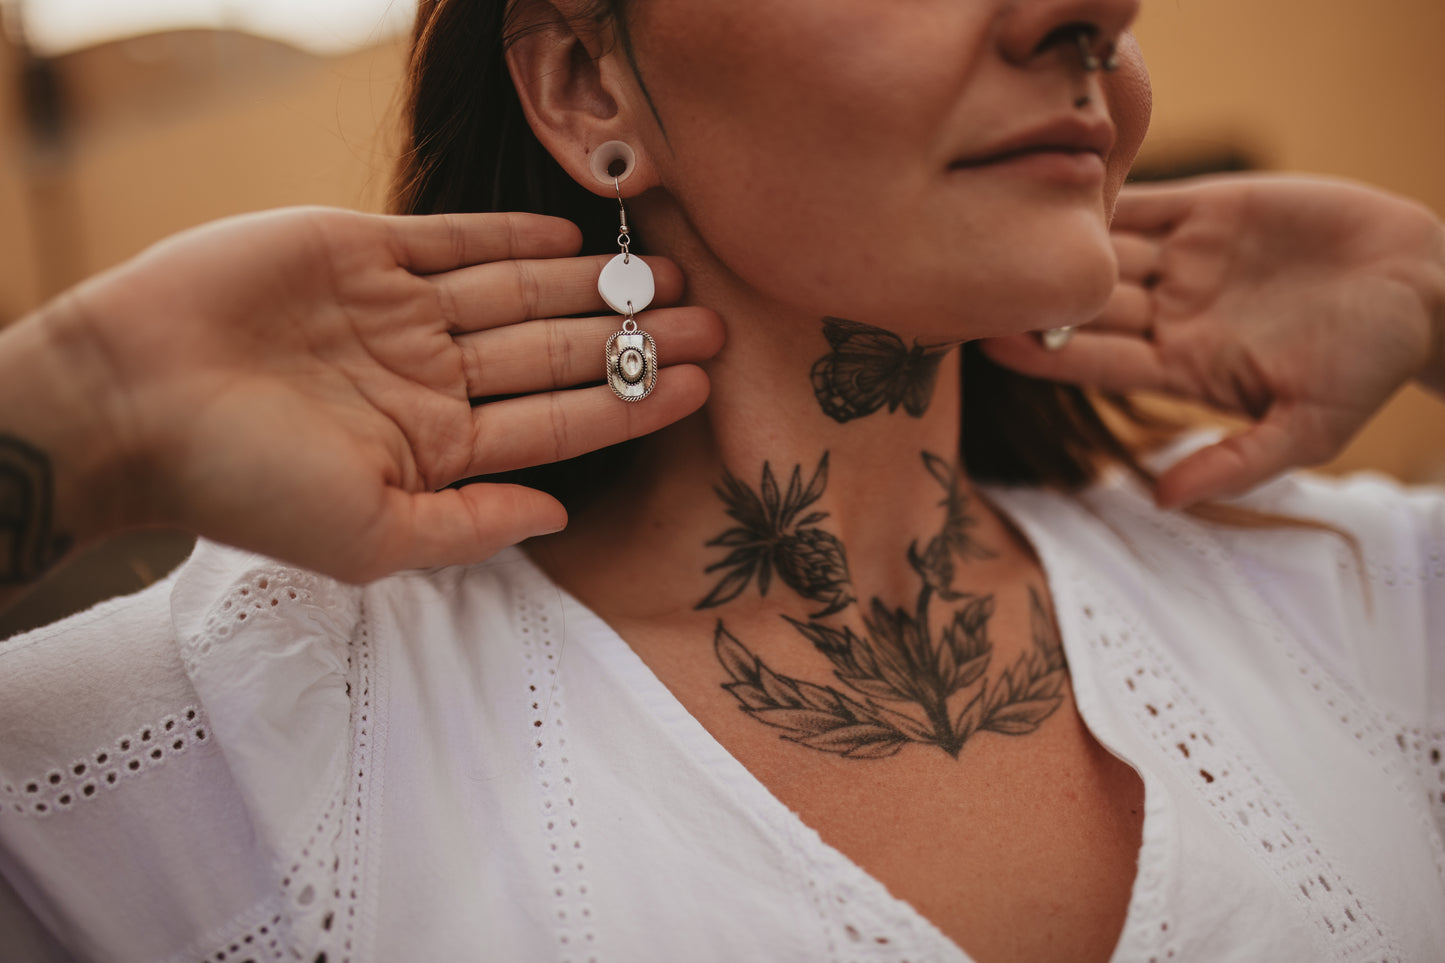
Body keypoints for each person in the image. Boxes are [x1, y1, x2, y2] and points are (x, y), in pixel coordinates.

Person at [0, 0, 1441, 960]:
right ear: (587, 81)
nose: (1092, 8)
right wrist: (74, 421)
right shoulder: (260, 746)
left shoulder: (1352, 608)